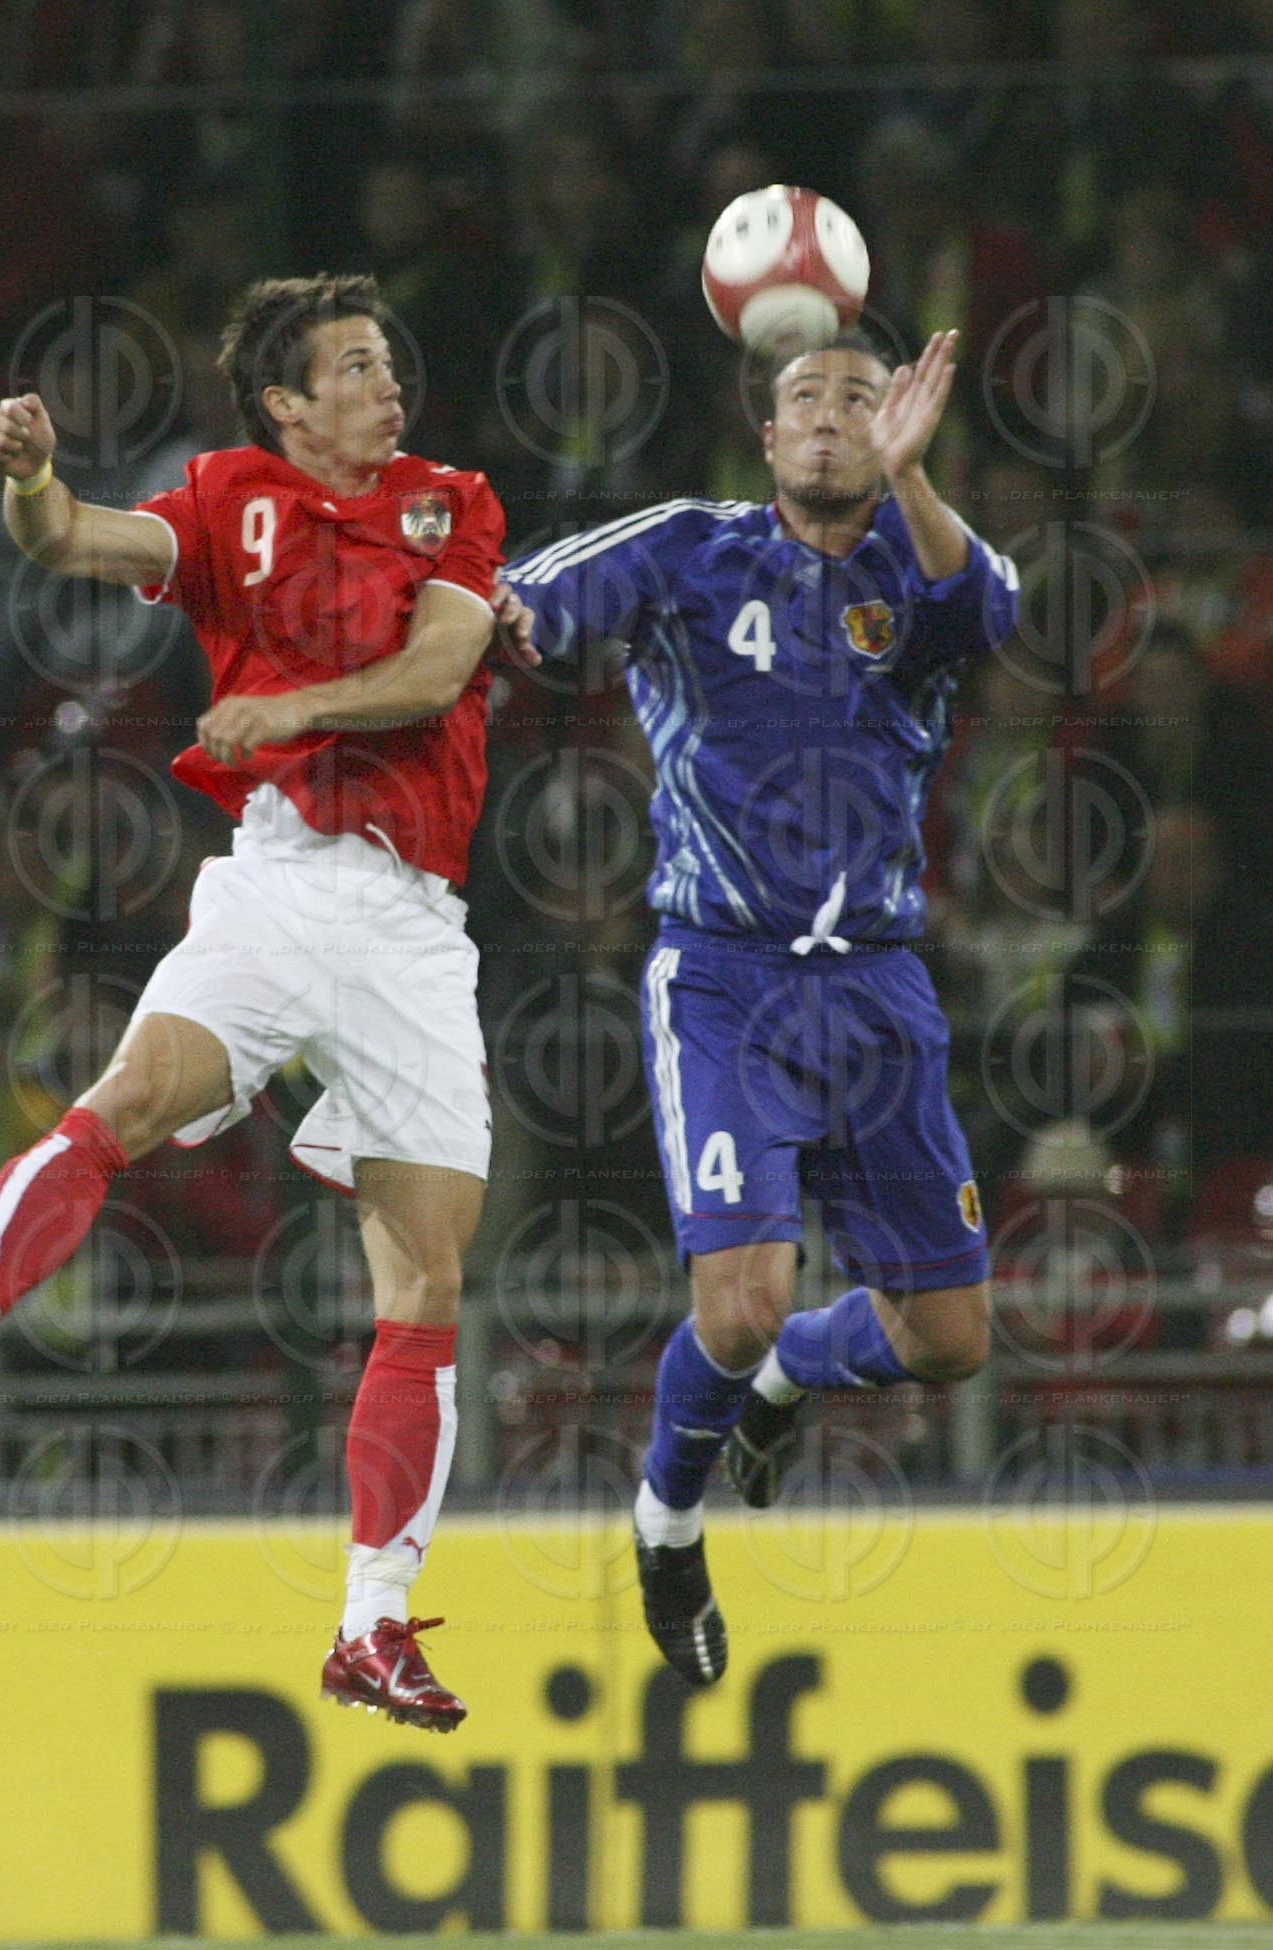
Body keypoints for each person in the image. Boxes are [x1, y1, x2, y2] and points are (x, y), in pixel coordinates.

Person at [0, 275, 508, 1733]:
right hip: (275, 879)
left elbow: (447, 661)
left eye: (387, 362)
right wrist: (31, 479)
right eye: (354, 367)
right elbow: (71, 540)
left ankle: (372, 1625)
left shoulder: (454, 500)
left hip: (411, 928)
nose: (387, 387)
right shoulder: (225, 497)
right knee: (123, 1101)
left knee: (429, 1284)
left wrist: (293, 709)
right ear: (285, 401)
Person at [504, 329, 1020, 1687]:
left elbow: (1001, 617)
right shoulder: (687, 546)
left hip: (882, 985)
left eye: (863, 397)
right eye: (808, 399)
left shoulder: (925, 558)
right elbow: (523, 606)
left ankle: (790, 1378)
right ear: (768, 434)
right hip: (728, 977)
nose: (836, 419)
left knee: (951, 1342)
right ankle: (667, 1524)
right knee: (734, 1300)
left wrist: (917, 483)